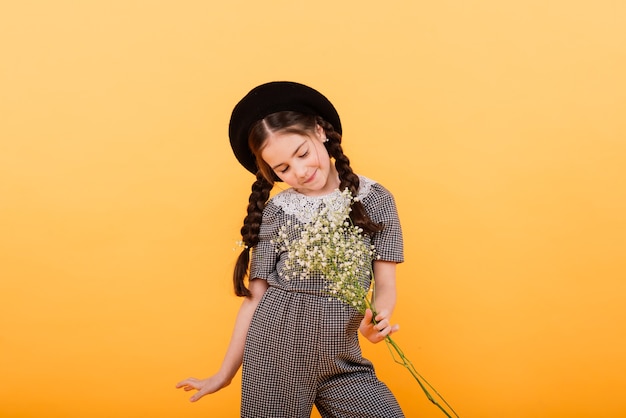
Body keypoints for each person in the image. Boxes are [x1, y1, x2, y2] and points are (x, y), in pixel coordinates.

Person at [176, 81, 405, 417]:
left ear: (319, 132)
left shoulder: (376, 198)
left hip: (342, 356)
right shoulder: (279, 210)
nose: (299, 171)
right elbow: (255, 298)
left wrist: (377, 318)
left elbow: (385, 282)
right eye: (282, 169)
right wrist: (224, 374)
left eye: (302, 153)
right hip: (274, 353)